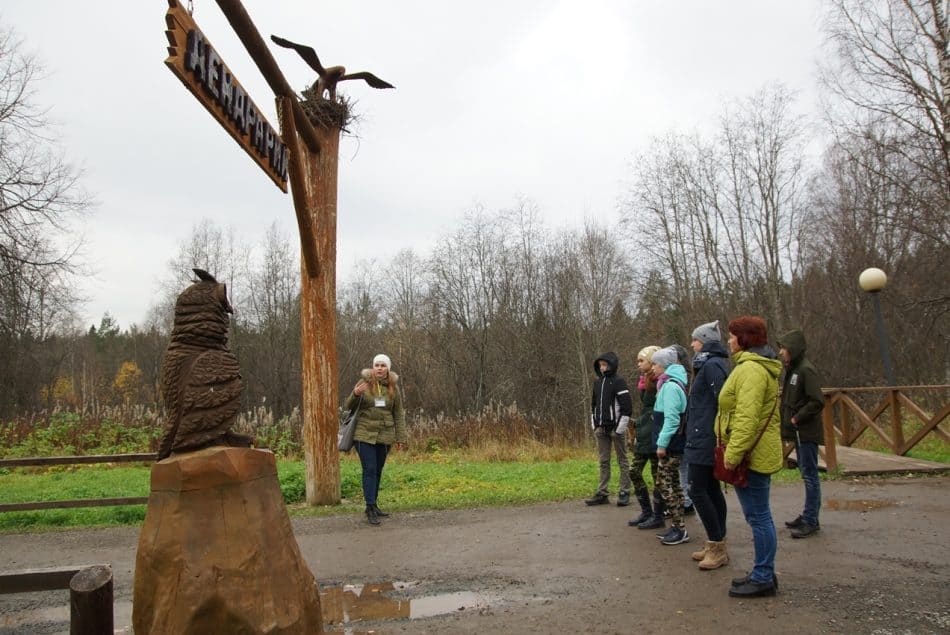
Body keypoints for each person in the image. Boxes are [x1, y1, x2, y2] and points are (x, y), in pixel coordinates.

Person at [716, 317, 783, 597]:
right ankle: (762, 572)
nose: (729, 340)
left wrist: (732, 454)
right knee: (758, 515)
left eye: (732, 336)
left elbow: (747, 417)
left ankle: (764, 576)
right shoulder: (750, 367)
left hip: (751, 455)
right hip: (753, 451)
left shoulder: (752, 370)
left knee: (758, 516)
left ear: (744, 338)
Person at [684, 320, 731, 569]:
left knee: (698, 490)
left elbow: (723, 401)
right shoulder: (708, 365)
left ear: (704, 340)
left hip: (706, 438)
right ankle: (717, 542)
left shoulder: (712, 365)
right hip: (700, 435)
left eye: (695, 339)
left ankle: (716, 545)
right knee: (710, 489)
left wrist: (715, 433)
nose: (692, 344)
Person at [344, 353, 407, 526]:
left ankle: (374, 504)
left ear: (388, 369)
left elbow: (398, 414)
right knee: (369, 469)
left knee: (377, 470)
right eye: (377, 365)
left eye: (383, 365)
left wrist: (401, 438)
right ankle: (369, 507)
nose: (379, 368)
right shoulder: (363, 383)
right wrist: (355, 394)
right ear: (373, 367)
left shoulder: (393, 388)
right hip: (364, 434)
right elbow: (347, 406)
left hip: (385, 435)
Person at [777, 329, 825, 539]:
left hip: (806, 431)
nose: (780, 352)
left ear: (793, 350)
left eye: (783, 348)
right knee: (806, 473)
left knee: (810, 475)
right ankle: (807, 515)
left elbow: (817, 400)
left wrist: (797, 418)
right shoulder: (794, 370)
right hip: (798, 431)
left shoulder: (806, 370)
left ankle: (811, 520)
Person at [650, 346, 690, 545]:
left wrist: (661, 444)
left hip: (672, 446)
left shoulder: (671, 387)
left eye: (656, 364)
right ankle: (677, 526)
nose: (653, 367)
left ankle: (680, 528)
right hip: (671, 445)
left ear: (665, 365)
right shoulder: (666, 385)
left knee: (665, 485)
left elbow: (672, 420)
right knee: (673, 485)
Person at [585, 352, 633, 507]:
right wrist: (595, 425)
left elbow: (627, 407)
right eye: (600, 365)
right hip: (601, 429)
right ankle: (602, 493)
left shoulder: (619, 382)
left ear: (612, 365)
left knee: (623, 460)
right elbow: (593, 405)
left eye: (605, 364)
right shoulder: (597, 383)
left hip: (616, 429)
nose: (602, 367)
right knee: (603, 461)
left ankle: (624, 491)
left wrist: (619, 429)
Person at [628, 345, 661, 527]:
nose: (638, 364)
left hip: (655, 433)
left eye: (642, 360)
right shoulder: (644, 380)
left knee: (658, 477)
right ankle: (646, 512)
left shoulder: (661, 382)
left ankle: (658, 516)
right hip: (644, 431)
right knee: (634, 472)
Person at [672, 343, 696, 517]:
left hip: (685, 426)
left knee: (684, 465)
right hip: (681, 425)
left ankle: (687, 501)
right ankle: (685, 500)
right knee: (681, 465)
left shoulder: (687, 378)